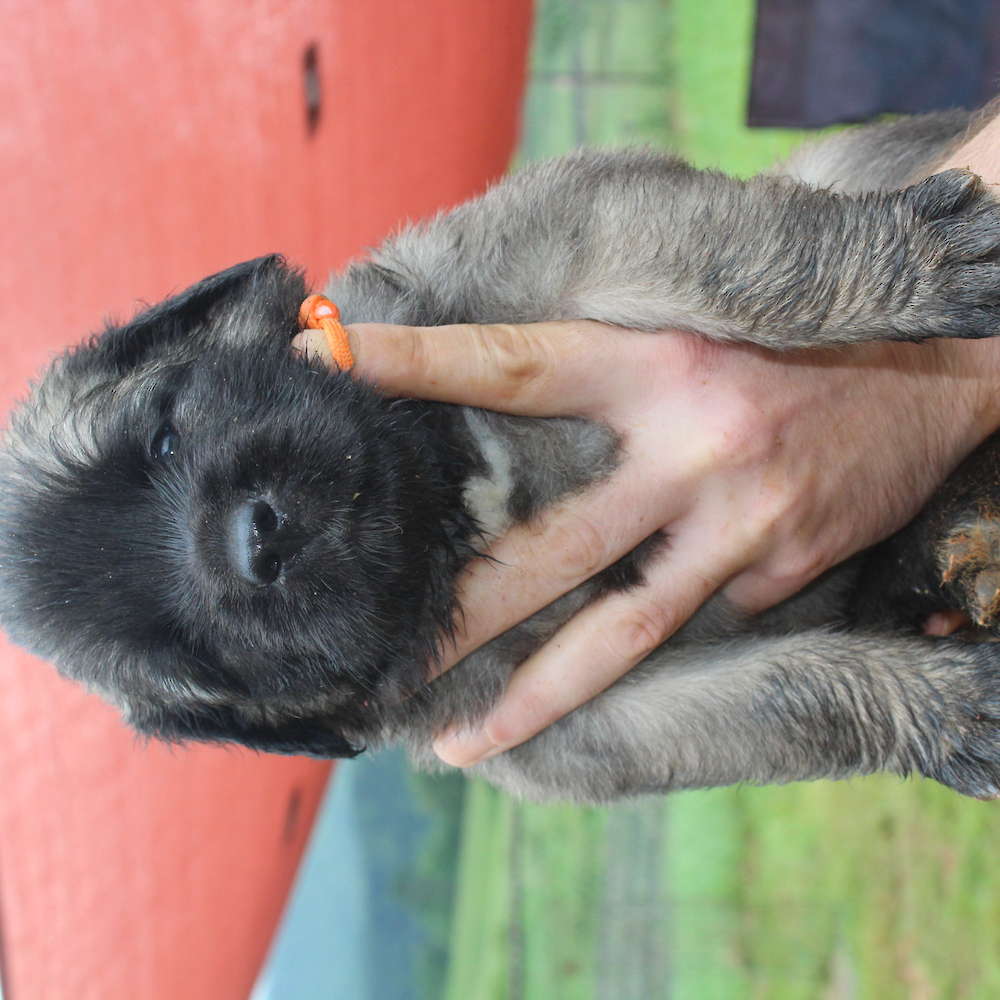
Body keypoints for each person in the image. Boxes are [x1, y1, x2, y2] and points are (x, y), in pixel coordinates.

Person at [297, 115, 1000, 769]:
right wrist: (912, 715)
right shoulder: (450, 694)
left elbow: (587, 224)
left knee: (850, 176)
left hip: (877, 259)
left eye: (177, 442)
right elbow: (628, 730)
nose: (253, 544)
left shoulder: (407, 307)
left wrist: (874, 278)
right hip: (883, 586)